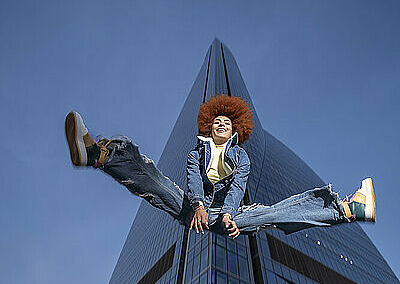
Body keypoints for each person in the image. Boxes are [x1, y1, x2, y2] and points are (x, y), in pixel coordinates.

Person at [64, 94, 376, 239]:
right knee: (157, 182)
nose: (222, 125)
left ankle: (347, 210)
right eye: (217, 122)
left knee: (273, 214)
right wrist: (198, 206)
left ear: (235, 128)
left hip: (232, 212)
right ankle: (99, 156)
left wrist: (228, 215)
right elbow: (192, 180)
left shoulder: (241, 157)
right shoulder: (195, 154)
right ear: (208, 128)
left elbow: (239, 185)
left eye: (228, 122)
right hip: (194, 208)